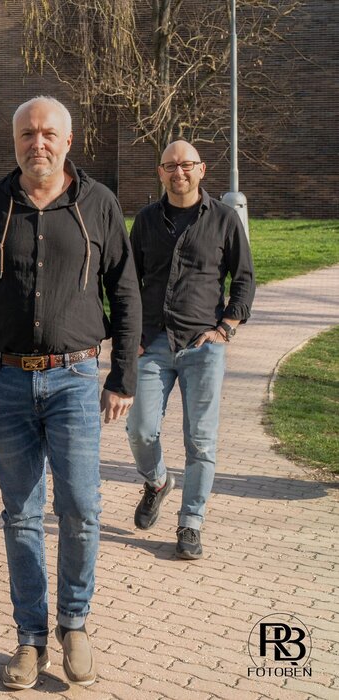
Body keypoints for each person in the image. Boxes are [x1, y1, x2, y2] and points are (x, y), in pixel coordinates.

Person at [0, 97, 141, 689]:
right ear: (15, 141)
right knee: (21, 514)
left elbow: (125, 292)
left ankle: (75, 623)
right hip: (6, 383)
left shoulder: (98, 204)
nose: (37, 143)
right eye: (27, 134)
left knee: (81, 507)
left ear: (68, 141)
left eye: (48, 133)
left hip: (75, 379)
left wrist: (123, 375)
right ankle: (30, 638)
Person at [127, 140, 255, 560]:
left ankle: (191, 523)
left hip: (203, 345)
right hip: (153, 342)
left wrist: (226, 328)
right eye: (170, 166)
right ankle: (158, 481)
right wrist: (132, 334)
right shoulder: (146, 220)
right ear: (160, 172)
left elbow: (244, 278)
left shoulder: (223, 219)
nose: (178, 172)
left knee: (200, 440)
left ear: (201, 169)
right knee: (140, 429)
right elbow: (128, 281)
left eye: (186, 165)